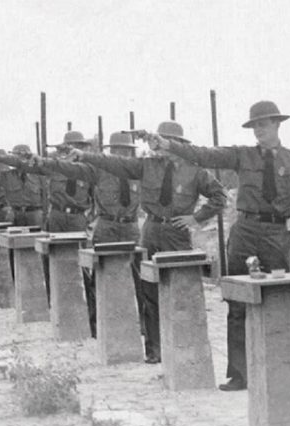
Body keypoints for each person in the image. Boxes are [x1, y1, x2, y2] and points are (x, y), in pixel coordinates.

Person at [146, 101, 290, 390]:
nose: (259, 130)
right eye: (255, 126)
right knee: (236, 302)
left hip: (277, 235)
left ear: (277, 125)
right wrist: (168, 145)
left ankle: (288, 373)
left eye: (264, 124)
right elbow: (202, 153)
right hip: (245, 232)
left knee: (281, 301)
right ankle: (240, 375)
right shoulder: (242, 156)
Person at [71, 122, 226, 362]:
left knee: (180, 287)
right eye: (159, 140)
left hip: (177, 232)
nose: (160, 146)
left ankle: (184, 346)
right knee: (149, 290)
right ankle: (155, 351)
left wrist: (196, 218)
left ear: (180, 145)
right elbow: (115, 163)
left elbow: (220, 196)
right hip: (151, 231)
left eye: (166, 140)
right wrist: (84, 155)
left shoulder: (194, 171)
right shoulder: (147, 166)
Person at [30, 130, 142, 340]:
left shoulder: (138, 171)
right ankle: (96, 325)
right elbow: (61, 167)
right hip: (106, 226)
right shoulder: (98, 170)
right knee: (98, 276)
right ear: (111, 152)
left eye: (126, 151)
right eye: (118, 150)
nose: (122, 154)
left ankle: (143, 326)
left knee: (139, 276)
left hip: (130, 227)